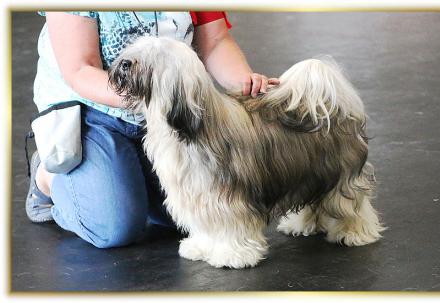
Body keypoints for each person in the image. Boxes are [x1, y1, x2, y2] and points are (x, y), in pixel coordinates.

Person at [26, 11, 280, 248]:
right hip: (93, 112)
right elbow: (81, 69)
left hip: (169, 116)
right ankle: (49, 176)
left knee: (200, 215)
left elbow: (214, 41)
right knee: (114, 228)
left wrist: (246, 83)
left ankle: (127, 176)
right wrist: (150, 98)